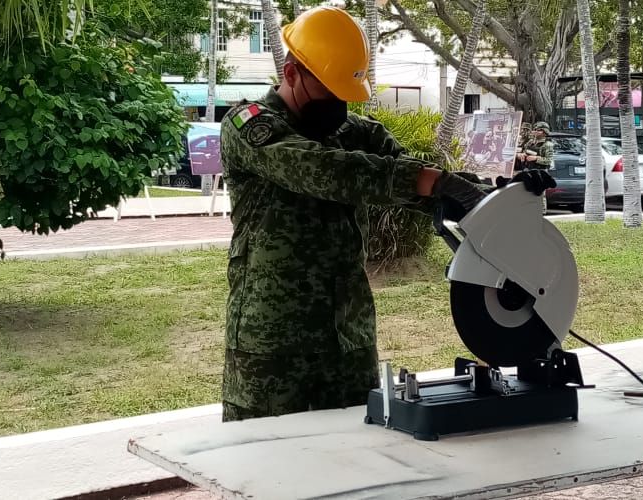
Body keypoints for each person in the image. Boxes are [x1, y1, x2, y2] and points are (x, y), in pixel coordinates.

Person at [217, 5, 555, 422]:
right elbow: (323, 170)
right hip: (271, 352)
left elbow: (427, 188)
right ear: (292, 74)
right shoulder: (249, 127)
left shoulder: (359, 134)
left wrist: (499, 196)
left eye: (346, 92)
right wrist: (432, 182)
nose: (339, 104)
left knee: (360, 471)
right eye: (330, 91)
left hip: (348, 345)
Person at [514, 121, 555, 215]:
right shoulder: (530, 143)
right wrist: (522, 155)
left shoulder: (547, 145)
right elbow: (524, 151)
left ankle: (541, 212)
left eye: (539, 130)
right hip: (528, 170)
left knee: (540, 193)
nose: (536, 132)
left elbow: (548, 160)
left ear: (544, 132)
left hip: (540, 172)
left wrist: (536, 158)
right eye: (535, 130)